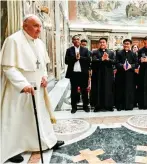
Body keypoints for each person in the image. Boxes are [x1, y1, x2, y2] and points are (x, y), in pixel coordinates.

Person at [0, 14, 64, 163]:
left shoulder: (39, 43)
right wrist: (23, 84)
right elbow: (8, 67)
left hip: (37, 89)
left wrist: (44, 77)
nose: (39, 30)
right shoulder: (13, 41)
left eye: (40, 26)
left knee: (39, 116)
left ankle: (46, 141)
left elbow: (42, 66)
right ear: (25, 26)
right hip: (19, 90)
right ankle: (11, 149)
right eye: (35, 26)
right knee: (16, 119)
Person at [65, 35, 91, 113]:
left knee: (84, 91)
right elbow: (66, 61)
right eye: (74, 39)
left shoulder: (85, 50)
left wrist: (80, 58)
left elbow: (88, 60)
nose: (76, 41)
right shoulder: (69, 50)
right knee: (74, 91)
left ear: (80, 41)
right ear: (72, 41)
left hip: (83, 74)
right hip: (73, 74)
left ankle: (85, 106)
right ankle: (74, 107)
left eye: (78, 39)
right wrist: (75, 59)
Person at [90, 38, 115, 112]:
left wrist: (108, 59)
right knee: (98, 89)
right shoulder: (95, 52)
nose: (102, 44)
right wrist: (101, 59)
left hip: (108, 75)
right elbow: (93, 61)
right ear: (99, 44)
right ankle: (97, 106)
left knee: (108, 89)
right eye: (100, 42)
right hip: (98, 75)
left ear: (106, 43)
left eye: (103, 42)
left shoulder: (111, 52)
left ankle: (109, 106)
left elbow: (114, 62)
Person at [115, 39, 138, 111]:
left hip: (130, 75)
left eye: (128, 44)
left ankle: (129, 106)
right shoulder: (119, 53)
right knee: (120, 90)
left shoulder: (133, 54)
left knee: (129, 90)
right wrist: (123, 65)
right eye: (125, 44)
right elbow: (116, 63)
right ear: (123, 44)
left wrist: (131, 66)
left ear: (130, 45)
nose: (126, 45)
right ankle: (120, 106)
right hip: (120, 75)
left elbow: (136, 64)